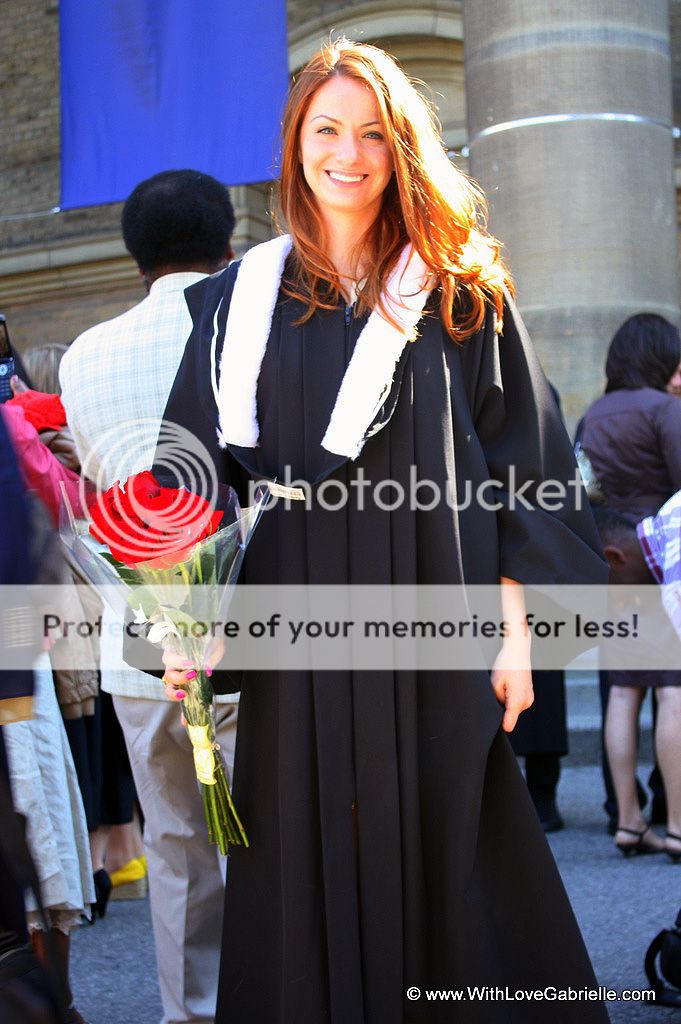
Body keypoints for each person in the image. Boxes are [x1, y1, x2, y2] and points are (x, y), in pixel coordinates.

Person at [157, 41, 609, 1023]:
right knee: (303, 855)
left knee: (456, 849)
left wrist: (520, 634)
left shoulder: (459, 294)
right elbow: (185, 475)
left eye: (372, 133)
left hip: (437, 615)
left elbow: (526, 469)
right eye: (327, 130)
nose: (349, 154)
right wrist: (183, 609)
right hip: (301, 635)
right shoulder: (241, 303)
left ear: (403, 149)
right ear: (295, 144)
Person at [59, 168, 237, 1024]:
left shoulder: (88, 353)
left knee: (174, 847)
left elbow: (100, 487)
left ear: (136, 257)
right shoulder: (249, 326)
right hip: (242, 630)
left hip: (136, 639)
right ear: (227, 241)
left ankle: (189, 1014)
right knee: (267, 835)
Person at [580, 314, 681, 847]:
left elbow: (579, 493)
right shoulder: (666, 411)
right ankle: (678, 826)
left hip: (613, 565)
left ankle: (626, 819)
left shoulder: (593, 416)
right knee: (672, 692)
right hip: (664, 563)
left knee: (622, 693)